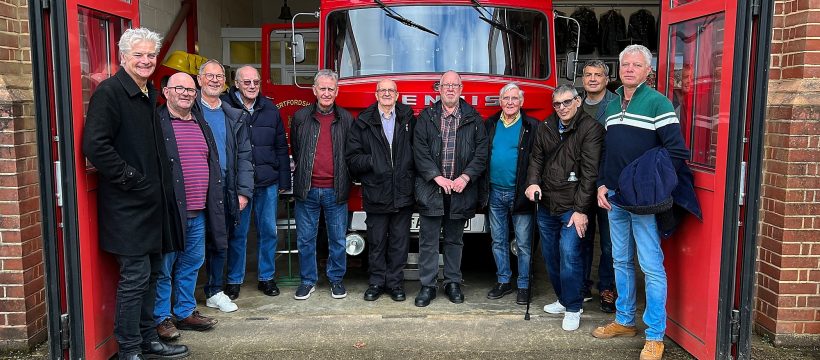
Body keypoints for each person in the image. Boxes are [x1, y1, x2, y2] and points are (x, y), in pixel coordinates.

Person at [81, 28, 188, 360]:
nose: (146, 61)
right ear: (123, 57)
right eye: (138, 54)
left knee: (153, 274)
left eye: (151, 55)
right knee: (136, 278)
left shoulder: (146, 92)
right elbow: (95, 145)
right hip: (128, 207)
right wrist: (133, 178)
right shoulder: (110, 93)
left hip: (153, 207)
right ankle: (129, 349)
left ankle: (147, 340)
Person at [592, 45, 691, 360]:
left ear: (649, 71)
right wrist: (601, 184)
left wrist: (651, 187)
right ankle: (623, 320)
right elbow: (606, 152)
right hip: (615, 199)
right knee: (619, 261)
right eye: (625, 65)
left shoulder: (657, 103)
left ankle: (655, 335)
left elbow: (675, 152)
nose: (630, 69)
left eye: (637, 65)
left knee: (651, 266)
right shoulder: (610, 105)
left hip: (644, 203)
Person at [525, 84, 604, 331]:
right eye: (557, 104)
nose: (562, 108)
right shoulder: (546, 126)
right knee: (551, 256)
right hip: (547, 202)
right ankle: (564, 298)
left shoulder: (591, 129)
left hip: (573, 206)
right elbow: (536, 158)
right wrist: (532, 183)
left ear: (578, 101)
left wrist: (581, 210)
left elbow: (590, 174)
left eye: (567, 102)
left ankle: (573, 307)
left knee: (570, 254)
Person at [153, 72, 224, 341]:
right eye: (179, 88)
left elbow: (211, 163)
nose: (185, 93)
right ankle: (161, 318)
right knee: (165, 267)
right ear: (166, 92)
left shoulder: (200, 122)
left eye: (190, 90)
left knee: (192, 263)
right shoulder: (157, 123)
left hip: (200, 210)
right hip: (171, 210)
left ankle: (184, 311)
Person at [413, 71, 488, 307]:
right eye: (446, 85)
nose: (450, 89)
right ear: (439, 88)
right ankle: (427, 285)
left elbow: (481, 153)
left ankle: (453, 282)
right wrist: (436, 177)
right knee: (428, 240)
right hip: (431, 190)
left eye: (455, 85)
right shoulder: (426, 117)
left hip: (460, 191)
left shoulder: (474, 118)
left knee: (455, 240)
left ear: (461, 89)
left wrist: (465, 177)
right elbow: (420, 151)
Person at [221, 66, 290, 299]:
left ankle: (266, 278)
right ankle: (233, 281)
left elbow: (281, 146)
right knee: (237, 233)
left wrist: (284, 179)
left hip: (267, 181)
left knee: (268, 231)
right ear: (236, 83)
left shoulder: (270, 108)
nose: (252, 86)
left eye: (256, 82)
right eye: (247, 82)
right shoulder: (223, 106)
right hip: (238, 183)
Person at [346, 79, 415, 302]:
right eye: (382, 90)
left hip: (403, 191)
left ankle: (395, 284)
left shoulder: (408, 118)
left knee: (399, 242)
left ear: (397, 95)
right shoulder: (363, 122)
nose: (387, 94)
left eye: (391, 90)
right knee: (376, 242)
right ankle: (376, 283)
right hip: (376, 192)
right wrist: (375, 161)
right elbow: (352, 157)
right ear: (376, 95)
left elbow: (420, 150)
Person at [290, 69, 354, 300]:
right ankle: (308, 281)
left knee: (337, 239)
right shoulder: (300, 117)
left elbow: (350, 153)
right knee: (306, 239)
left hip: (336, 189)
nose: (326, 93)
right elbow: (297, 151)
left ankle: (336, 279)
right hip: (307, 189)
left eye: (331, 89)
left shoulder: (346, 119)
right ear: (314, 90)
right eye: (322, 88)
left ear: (337, 91)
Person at [195, 60, 253, 313]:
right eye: (210, 76)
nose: (215, 80)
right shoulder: (189, 109)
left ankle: (214, 291)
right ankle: (181, 298)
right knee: (191, 245)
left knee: (221, 241)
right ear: (199, 80)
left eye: (219, 76)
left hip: (225, 189)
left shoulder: (233, 115)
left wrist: (243, 191)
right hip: (195, 189)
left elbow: (245, 157)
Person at [482, 83, 538, 305]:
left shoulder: (531, 126)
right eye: (506, 98)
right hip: (494, 192)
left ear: (521, 102)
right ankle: (504, 281)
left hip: (520, 194)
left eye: (515, 98)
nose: (511, 102)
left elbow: (537, 160)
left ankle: (524, 285)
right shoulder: (491, 124)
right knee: (498, 241)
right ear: (501, 101)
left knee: (524, 243)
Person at [579, 60, 618, 313]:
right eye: (588, 75)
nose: (593, 79)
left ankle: (607, 287)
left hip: (608, 180)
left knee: (609, 242)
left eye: (598, 75)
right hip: (580, 183)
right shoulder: (573, 103)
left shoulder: (617, 104)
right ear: (582, 79)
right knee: (581, 237)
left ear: (606, 79)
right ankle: (582, 285)